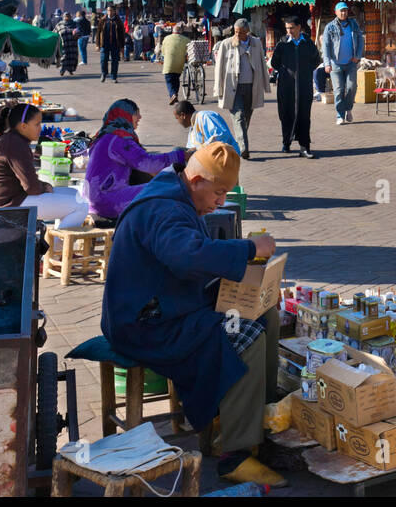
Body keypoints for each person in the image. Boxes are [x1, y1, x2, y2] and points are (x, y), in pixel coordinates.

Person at [101, 142, 284, 487]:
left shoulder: (180, 195)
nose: (219, 202)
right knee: (246, 333)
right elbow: (187, 258)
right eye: (218, 193)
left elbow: (187, 267)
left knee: (263, 314)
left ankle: (259, 419)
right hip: (145, 324)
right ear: (196, 179)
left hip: (170, 307)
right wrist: (247, 249)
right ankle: (236, 453)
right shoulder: (164, 210)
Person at [0, 100, 89, 228]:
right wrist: (44, 187)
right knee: (81, 206)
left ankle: (56, 239)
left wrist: (44, 186)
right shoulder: (15, 144)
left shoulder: (11, 139)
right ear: (23, 126)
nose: (40, 128)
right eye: (37, 124)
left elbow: (29, 182)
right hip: (7, 207)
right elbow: (32, 188)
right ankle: (57, 245)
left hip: (11, 200)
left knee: (74, 195)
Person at [84, 99, 188, 221]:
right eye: (136, 113)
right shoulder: (118, 139)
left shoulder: (104, 136)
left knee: (155, 187)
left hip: (92, 200)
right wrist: (181, 156)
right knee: (164, 189)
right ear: (125, 115)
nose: (140, 117)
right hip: (105, 201)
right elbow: (148, 163)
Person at [213, 18, 269, 160]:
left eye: (241, 33)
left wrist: (266, 84)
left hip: (251, 86)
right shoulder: (226, 44)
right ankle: (244, 148)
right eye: (236, 32)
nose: (237, 35)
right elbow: (219, 68)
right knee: (238, 116)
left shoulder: (256, 43)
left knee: (246, 117)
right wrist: (217, 89)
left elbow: (262, 63)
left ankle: (239, 141)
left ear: (247, 32)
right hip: (233, 87)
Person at [270, 14, 319, 158]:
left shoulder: (308, 43)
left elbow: (316, 60)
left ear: (299, 27)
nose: (289, 31)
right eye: (287, 28)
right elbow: (274, 63)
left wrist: (304, 72)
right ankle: (286, 142)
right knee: (286, 114)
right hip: (286, 86)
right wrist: (287, 72)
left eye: (292, 28)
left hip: (304, 86)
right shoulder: (282, 44)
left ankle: (305, 147)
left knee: (304, 115)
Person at [321, 1, 364, 125]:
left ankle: (348, 109)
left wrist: (357, 56)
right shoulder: (330, 27)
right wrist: (327, 63)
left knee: (352, 87)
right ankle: (340, 115)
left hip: (351, 63)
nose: (344, 13)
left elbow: (360, 40)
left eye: (345, 10)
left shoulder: (353, 24)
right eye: (341, 10)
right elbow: (326, 46)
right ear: (336, 12)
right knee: (339, 90)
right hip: (335, 64)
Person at [173, 100, 240, 154]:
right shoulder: (192, 128)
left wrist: (198, 148)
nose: (178, 122)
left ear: (183, 115)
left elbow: (222, 136)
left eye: (177, 118)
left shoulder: (205, 116)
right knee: (178, 154)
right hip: (207, 155)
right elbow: (190, 148)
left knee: (177, 151)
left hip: (224, 156)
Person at [161, 22, 190, 106]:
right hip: (179, 64)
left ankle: (173, 94)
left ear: (172, 31)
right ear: (180, 32)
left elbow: (163, 51)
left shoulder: (166, 38)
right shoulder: (186, 39)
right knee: (176, 79)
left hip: (168, 64)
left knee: (169, 80)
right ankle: (175, 95)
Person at [95, 5, 125, 82]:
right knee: (103, 60)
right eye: (108, 10)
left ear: (114, 11)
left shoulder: (118, 21)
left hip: (115, 44)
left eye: (111, 10)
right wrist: (97, 45)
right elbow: (98, 33)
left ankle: (114, 77)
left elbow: (122, 34)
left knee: (115, 61)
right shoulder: (103, 20)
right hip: (104, 44)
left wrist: (122, 46)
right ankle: (104, 74)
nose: (109, 12)